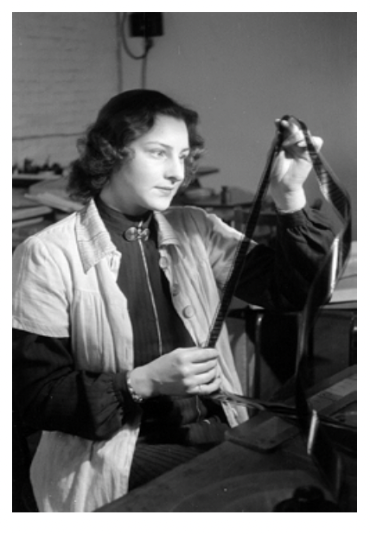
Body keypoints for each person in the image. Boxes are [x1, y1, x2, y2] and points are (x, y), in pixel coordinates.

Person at [12, 89, 335, 512]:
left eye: (183, 156)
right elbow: (35, 397)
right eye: (159, 153)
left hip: (217, 429)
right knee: (273, 484)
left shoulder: (195, 227)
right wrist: (143, 382)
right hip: (114, 454)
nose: (176, 172)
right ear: (111, 153)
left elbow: (295, 290)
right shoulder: (48, 253)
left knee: (315, 474)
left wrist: (289, 191)